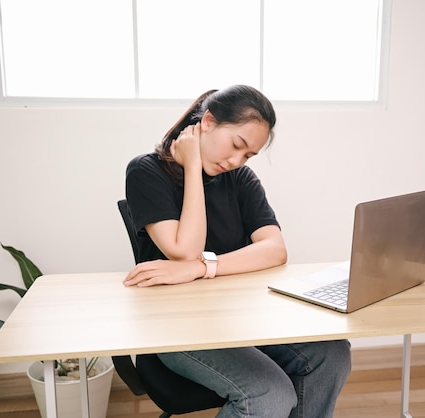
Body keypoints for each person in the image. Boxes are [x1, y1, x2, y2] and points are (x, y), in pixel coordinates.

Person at [122, 85, 351, 418]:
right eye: (237, 146)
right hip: (176, 328)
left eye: (247, 155)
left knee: (332, 354)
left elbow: (275, 250)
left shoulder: (241, 178)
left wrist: (204, 268)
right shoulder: (146, 171)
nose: (236, 161)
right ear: (209, 122)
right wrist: (192, 167)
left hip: (240, 319)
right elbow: (186, 251)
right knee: (270, 394)